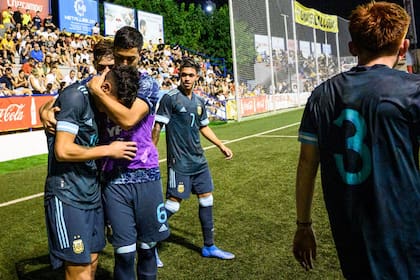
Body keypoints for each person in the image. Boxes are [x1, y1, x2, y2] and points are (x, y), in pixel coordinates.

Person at [292, 2, 420, 279]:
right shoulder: (413, 90)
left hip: (351, 234)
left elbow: (306, 163)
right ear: (403, 47)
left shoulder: (321, 95)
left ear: (352, 48)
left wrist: (303, 225)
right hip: (407, 230)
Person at [42, 27, 170, 279]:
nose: (123, 65)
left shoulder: (144, 83)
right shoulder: (100, 82)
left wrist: (98, 91)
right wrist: (44, 110)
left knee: (147, 249)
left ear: (140, 55)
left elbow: (129, 119)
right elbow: (67, 97)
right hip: (110, 180)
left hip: (144, 175)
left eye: (129, 59)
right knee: (122, 253)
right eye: (118, 59)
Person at [43, 65, 138, 280]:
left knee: (93, 261)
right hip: (67, 193)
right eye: (115, 104)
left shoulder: (99, 97)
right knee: (80, 270)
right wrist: (109, 150)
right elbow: (62, 150)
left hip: (92, 192)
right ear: (104, 88)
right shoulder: (76, 98)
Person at [152, 57, 235, 261]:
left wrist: (221, 145)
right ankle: (148, 243)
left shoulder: (198, 102)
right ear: (179, 76)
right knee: (173, 205)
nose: (187, 79)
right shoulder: (170, 98)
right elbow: (157, 127)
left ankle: (209, 246)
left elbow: (203, 126)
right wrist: (151, 155)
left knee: (207, 199)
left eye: (190, 75)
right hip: (179, 162)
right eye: (183, 75)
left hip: (199, 161)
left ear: (197, 77)